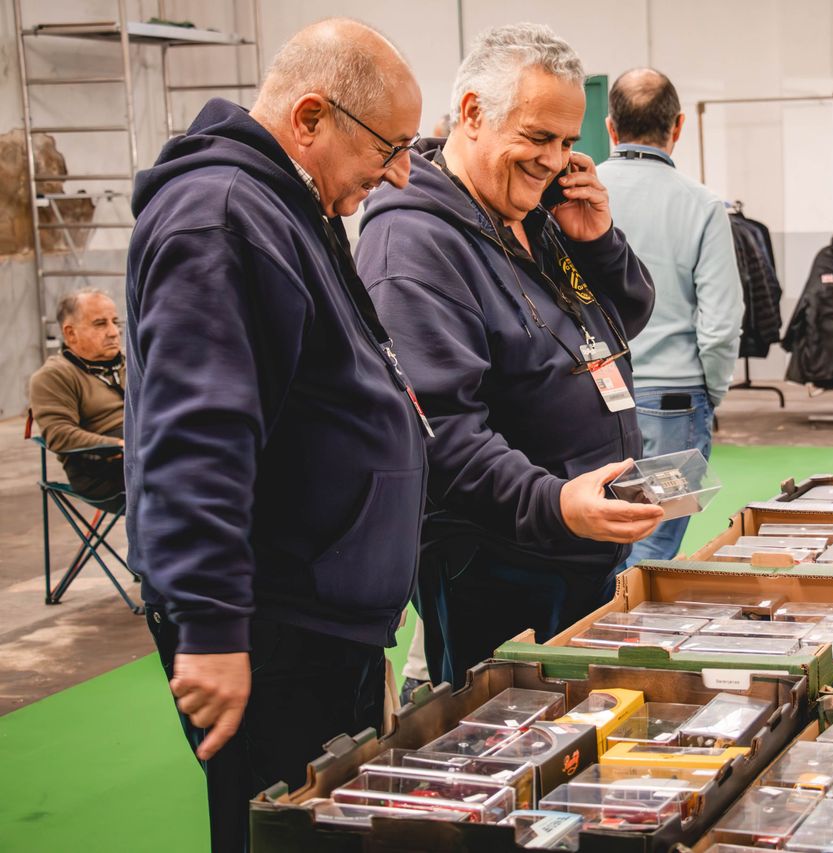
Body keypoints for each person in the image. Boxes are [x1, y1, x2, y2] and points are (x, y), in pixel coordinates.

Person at [124, 19, 426, 850]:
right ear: (311, 118)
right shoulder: (222, 215)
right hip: (273, 622)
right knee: (279, 832)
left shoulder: (289, 205)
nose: (399, 173)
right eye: (390, 147)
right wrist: (214, 622)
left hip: (317, 615)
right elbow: (198, 433)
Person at [357, 23, 664, 692]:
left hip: (574, 545)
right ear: (473, 113)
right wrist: (555, 503)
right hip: (499, 565)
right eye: (538, 137)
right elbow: (442, 433)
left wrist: (598, 241)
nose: (554, 160)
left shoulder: (531, 212)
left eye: (567, 142)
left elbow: (623, 320)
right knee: (510, 736)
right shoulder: (413, 244)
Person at [597, 68, 743, 564]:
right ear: (678, 126)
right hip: (674, 400)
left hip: (588, 395)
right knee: (653, 543)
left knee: (593, 539)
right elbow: (721, 321)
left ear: (611, 127)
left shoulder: (574, 193)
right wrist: (710, 392)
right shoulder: (703, 205)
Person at [28, 289, 127, 509]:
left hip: (149, 453)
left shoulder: (130, 365)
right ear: (71, 333)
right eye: (100, 324)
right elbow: (59, 435)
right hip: (102, 473)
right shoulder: (54, 376)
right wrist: (120, 445)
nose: (113, 332)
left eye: (115, 322)